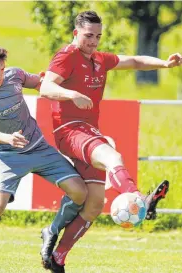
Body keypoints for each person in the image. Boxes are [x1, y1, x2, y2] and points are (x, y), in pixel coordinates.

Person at [40, 10, 181, 273]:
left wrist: (164, 64)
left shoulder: (98, 59)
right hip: (70, 131)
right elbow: (47, 87)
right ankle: (140, 199)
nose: (93, 41)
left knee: (94, 204)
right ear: (75, 33)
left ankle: (57, 257)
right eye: (88, 36)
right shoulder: (67, 55)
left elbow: (136, 61)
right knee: (113, 157)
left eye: (98, 36)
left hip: (89, 130)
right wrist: (72, 94)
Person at [0, 43, 90, 273]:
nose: (0, 75)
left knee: (80, 192)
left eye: (2, 68)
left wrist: (66, 91)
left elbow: (41, 84)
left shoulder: (14, 75)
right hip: (8, 155)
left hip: (39, 148)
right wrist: (8, 139)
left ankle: (52, 231)